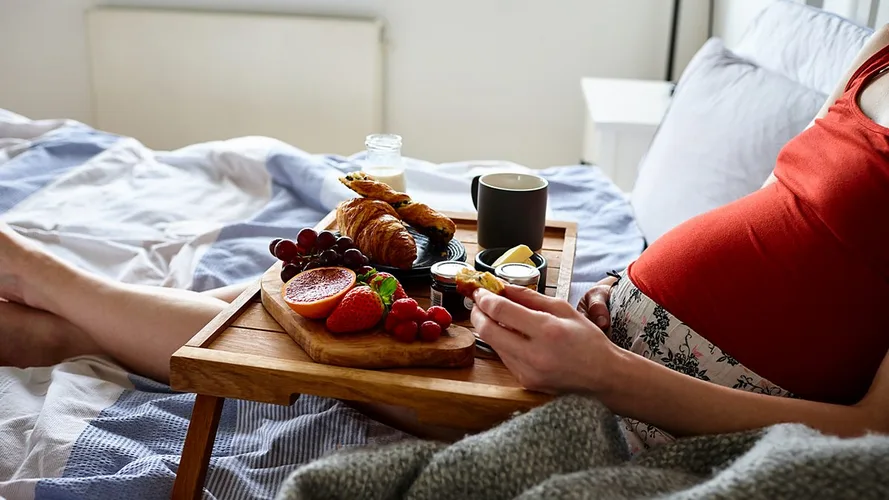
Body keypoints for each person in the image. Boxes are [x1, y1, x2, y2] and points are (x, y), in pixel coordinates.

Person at [3, 26, 889, 450]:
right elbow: (796, 222)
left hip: (645, 406)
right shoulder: (877, 46)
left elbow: (872, 432)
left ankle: (36, 274)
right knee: (293, 318)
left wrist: (609, 373)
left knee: (292, 340)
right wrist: (626, 302)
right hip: (605, 328)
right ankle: (65, 324)